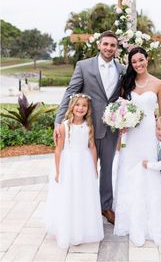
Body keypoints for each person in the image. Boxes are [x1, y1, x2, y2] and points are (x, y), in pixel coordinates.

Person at [54, 31, 125, 224]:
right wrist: (59, 121)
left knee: (107, 168)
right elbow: (71, 91)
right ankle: (84, 206)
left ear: (116, 48)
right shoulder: (84, 66)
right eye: (106, 44)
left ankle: (106, 206)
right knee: (84, 167)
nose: (109, 48)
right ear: (99, 45)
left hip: (111, 128)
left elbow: (125, 96)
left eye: (113, 45)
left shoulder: (122, 69)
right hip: (87, 128)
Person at [113, 46, 161, 246]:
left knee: (149, 169)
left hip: (148, 133)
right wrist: (120, 129)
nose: (138, 64)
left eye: (140, 60)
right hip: (131, 134)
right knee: (128, 170)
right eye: (134, 61)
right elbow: (120, 109)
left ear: (147, 59)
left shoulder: (159, 84)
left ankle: (150, 216)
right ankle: (128, 218)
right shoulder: (126, 83)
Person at [45, 93, 104, 248]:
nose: (80, 108)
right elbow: (58, 150)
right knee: (69, 194)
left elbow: (92, 147)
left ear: (88, 109)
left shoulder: (88, 125)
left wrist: (94, 167)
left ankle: (83, 228)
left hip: (84, 164)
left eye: (84, 105)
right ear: (72, 106)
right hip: (69, 164)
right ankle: (68, 228)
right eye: (77, 105)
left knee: (83, 195)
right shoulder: (64, 126)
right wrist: (58, 172)